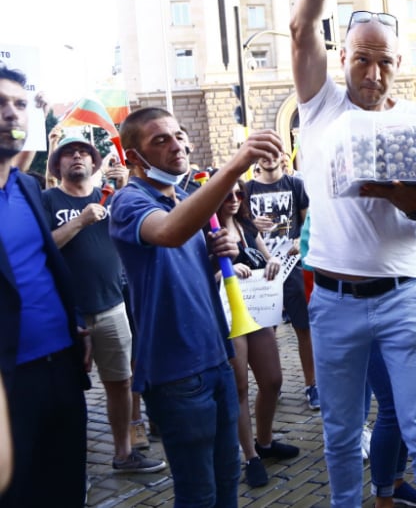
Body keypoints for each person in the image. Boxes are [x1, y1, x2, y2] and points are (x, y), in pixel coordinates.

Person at [289, 0, 416, 507]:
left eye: (384, 62)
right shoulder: (320, 106)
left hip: (404, 298)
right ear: (343, 57)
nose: (373, 74)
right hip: (332, 300)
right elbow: (299, 25)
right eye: (362, 60)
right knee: (339, 437)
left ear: (398, 63)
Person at [109, 106, 284, 507]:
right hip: (175, 374)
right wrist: (237, 164)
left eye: (178, 135)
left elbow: (183, 268)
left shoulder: (187, 198)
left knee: (226, 480)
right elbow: (168, 233)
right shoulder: (128, 201)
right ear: (133, 157)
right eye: (160, 140)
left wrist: (212, 256)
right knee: (197, 493)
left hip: (216, 360)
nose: (178, 146)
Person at [41, 136, 166, 474]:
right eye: (68, 154)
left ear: (95, 163)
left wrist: (126, 187)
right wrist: (80, 220)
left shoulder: (109, 197)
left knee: (120, 382)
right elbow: (42, 248)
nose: (77, 157)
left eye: (83, 152)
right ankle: (68, 463)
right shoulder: (47, 200)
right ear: (57, 165)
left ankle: (124, 454)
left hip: (111, 306)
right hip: (65, 314)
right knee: (65, 390)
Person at [0, 66, 90, 508]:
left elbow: (49, 268)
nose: (10, 114)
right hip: (10, 379)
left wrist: (74, 325)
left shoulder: (28, 189)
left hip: (62, 366)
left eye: (18, 104)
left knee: (66, 484)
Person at [212, 178, 298, 487]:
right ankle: (250, 456)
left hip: (258, 311)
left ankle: (265, 441)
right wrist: (224, 269)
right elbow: (199, 270)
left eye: (239, 193)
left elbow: (268, 254)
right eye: (227, 194)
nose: (234, 198)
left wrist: (273, 262)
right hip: (229, 317)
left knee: (272, 380)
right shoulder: (207, 231)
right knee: (239, 388)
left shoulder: (246, 226)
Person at [244, 152, 317, 410]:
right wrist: (253, 224)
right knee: (266, 332)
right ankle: (271, 386)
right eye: (262, 155)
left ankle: (312, 384)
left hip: (293, 267)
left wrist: (300, 241)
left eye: (273, 154)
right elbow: (241, 224)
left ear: (281, 157)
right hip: (261, 271)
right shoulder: (247, 189)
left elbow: (308, 221)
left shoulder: (295, 185)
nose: (268, 159)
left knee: (304, 328)